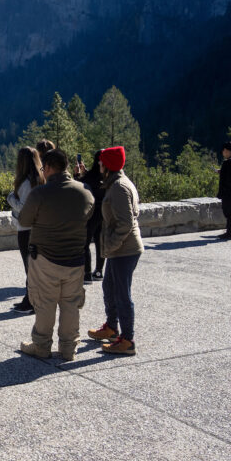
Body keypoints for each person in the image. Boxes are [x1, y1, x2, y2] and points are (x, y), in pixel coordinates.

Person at [17, 149, 94, 362]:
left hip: (45, 258)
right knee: (71, 304)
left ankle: (41, 346)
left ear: (49, 168)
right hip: (76, 259)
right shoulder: (85, 192)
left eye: (43, 168)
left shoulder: (40, 193)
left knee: (45, 302)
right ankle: (68, 348)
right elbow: (89, 215)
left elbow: (24, 220)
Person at [88, 146, 144, 355]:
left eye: (101, 162)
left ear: (107, 165)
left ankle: (127, 340)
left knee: (122, 294)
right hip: (120, 248)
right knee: (109, 287)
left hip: (125, 248)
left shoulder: (119, 187)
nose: (99, 165)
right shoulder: (117, 183)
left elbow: (125, 223)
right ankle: (112, 328)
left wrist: (110, 244)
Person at [7, 147, 44, 313]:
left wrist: (10, 198)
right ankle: (32, 299)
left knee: (29, 267)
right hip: (39, 228)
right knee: (36, 267)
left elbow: (23, 207)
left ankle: (31, 301)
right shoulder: (40, 179)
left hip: (26, 229)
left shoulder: (25, 183)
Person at [76, 150, 106, 281]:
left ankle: (87, 273)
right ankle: (99, 271)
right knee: (100, 242)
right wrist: (85, 171)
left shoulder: (89, 177)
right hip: (104, 212)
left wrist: (77, 174)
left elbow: (79, 186)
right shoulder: (107, 175)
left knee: (85, 243)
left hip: (91, 213)